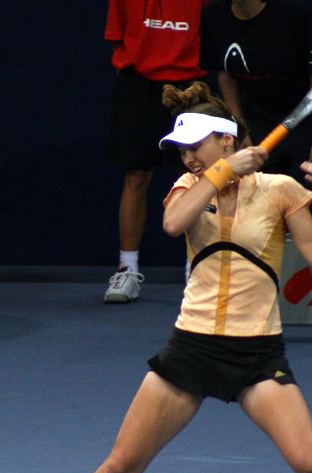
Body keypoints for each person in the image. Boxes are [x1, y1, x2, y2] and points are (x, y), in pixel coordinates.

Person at [21, 82, 312, 473]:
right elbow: (172, 224)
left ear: (229, 141)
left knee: (309, 462)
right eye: (182, 149)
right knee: (120, 466)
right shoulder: (187, 190)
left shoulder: (280, 190)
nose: (188, 156)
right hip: (191, 347)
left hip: (257, 351)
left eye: (198, 146)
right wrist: (217, 175)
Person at [199, 0, 312, 336]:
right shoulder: (213, 15)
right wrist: (241, 128)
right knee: (252, 205)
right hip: (259, 120)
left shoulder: (291, 11)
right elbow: (223, 74)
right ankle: (245, 306)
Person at [102, 0, 209, 303]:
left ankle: (198, 264)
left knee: (197, 176)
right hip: (138, 86)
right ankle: (127, 269)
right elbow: (117, 39)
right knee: (136, 175)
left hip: (191, 83)